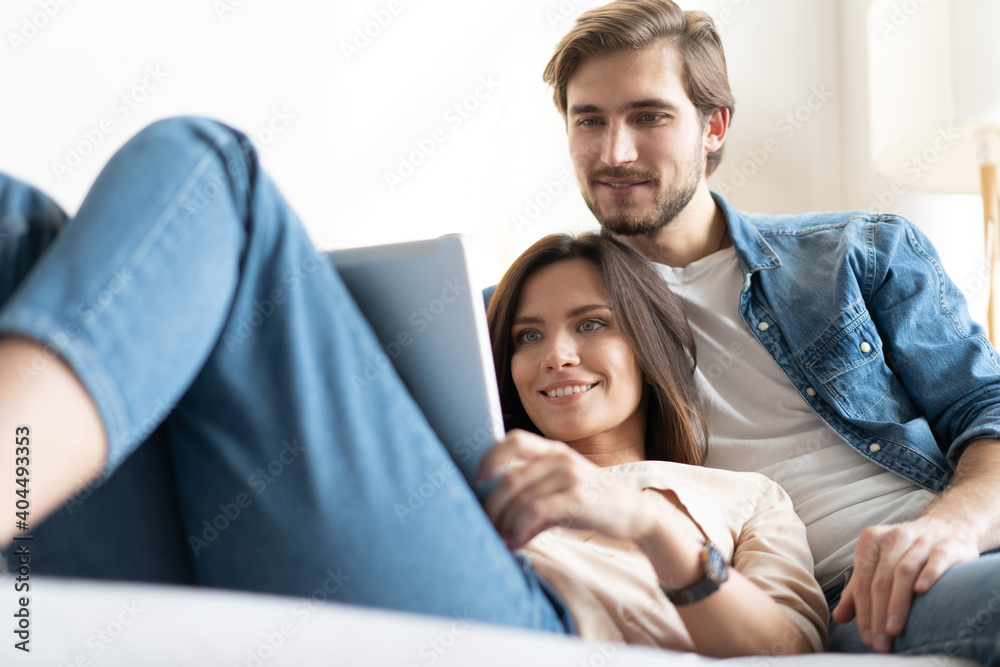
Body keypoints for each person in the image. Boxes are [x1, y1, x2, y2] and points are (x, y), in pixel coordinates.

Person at [0, 117, 824, 658]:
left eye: (592, 324)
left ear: (649, 348)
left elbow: (788, 651)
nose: (556, 355)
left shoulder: (742, 495)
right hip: (291, 550)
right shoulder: (469, 465)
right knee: (19, 229)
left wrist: (641, 519)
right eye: (527, 337)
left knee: (211, 169)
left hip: (537, 623)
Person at [539, 0, 1000, 663]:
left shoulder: (854, 251)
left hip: (949, 543)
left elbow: (986, 408)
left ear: (714, 126)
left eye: (648, 116)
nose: (616, 151)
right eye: (590, 120)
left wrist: (951, 527)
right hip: (823, 597)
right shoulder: (538, 323)